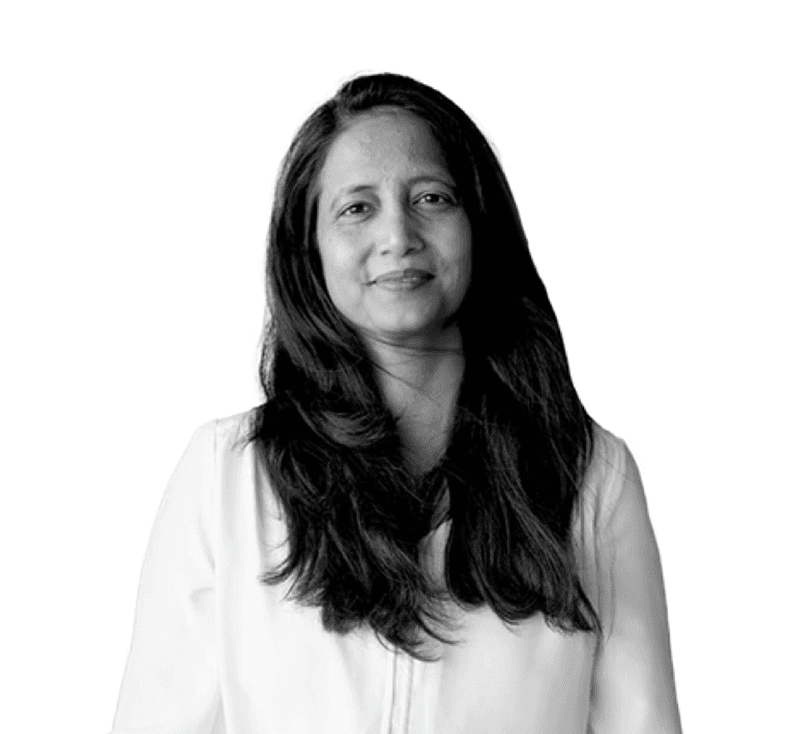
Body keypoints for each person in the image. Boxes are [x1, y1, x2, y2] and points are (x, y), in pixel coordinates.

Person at [108, 73, 683, 734]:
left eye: (431, 197)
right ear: (310, 249)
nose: (398, 234)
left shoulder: (592, 478)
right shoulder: (226, 477)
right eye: (357, 207)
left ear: (479, 223)